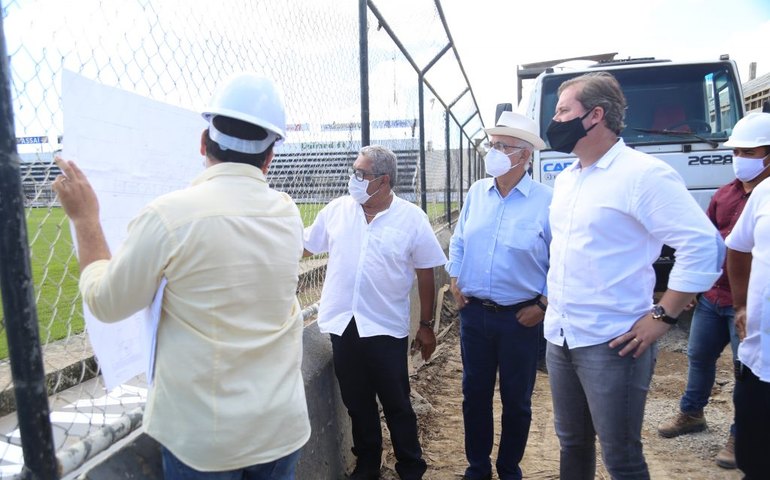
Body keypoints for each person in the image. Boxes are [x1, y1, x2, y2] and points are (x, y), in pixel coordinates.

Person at [52, 73, 310, 479]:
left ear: (203, 143)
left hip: (208, 441)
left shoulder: (170, 216)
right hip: (281, 426)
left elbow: (106, 301)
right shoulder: (287, 213)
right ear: (269, 157)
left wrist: (86, 220)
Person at [542, 72, 723, 480]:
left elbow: (704, 246)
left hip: (614, 342)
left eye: (563, 110)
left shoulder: (643, 175)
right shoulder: (568, 178)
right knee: (572, 444)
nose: (554, 120)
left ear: (595, 115)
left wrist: (663, 316)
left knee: (621, 456)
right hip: (562, 334)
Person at [303, 145, 446, 480]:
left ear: (383, 181)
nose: (353, 179)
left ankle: (410, 466)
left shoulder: (411, 218)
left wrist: (426, 325)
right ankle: (367, 465)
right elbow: (306, 246)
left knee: (397, 404)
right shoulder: (338, 210)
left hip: (384, 329)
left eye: (360, 173)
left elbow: (426, 272)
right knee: (357, 402)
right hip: (343, 324)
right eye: (354, 171)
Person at [657, 112, 770, 469]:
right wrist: (691, 286)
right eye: (737, 151)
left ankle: (740, 436)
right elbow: (704, 242)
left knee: (745, 371)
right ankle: (692, 414)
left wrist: (742, 303)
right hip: (713, 296)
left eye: (749, 153)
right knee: (699, 358)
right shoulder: (724, 195)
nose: (740, 159)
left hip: (750, 305)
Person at [446, 111, 551, 480]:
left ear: (525, 156)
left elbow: (563, 259)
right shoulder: (477, 192)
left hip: (520, 319)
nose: (494, 151)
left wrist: (543, 303)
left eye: (503, 146)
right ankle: (478, 467)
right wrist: (455, 279)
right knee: (474, 395)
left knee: (516, 401)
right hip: (475, 315)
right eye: (493, 144)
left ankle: (509, 468)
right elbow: (458, 241)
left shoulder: (546, 201)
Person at [724, 113, 770, 480]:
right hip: (761, 356)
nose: (741, 159)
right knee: (754, 459)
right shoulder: (764, 195)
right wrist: (740, 303)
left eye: (748, 151)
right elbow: (736, 249)